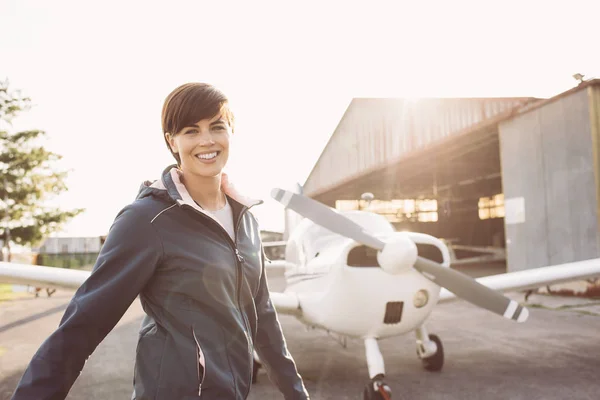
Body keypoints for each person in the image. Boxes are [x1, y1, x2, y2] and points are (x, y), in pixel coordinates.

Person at [11, 83, 310, 399]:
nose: (206, 140)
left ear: (231, 132)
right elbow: (82, 326)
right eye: (191, 131)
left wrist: (298, 394)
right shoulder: (146, 220)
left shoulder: (246, 220)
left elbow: (263, 318)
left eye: (217, 127)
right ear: (172, 141)